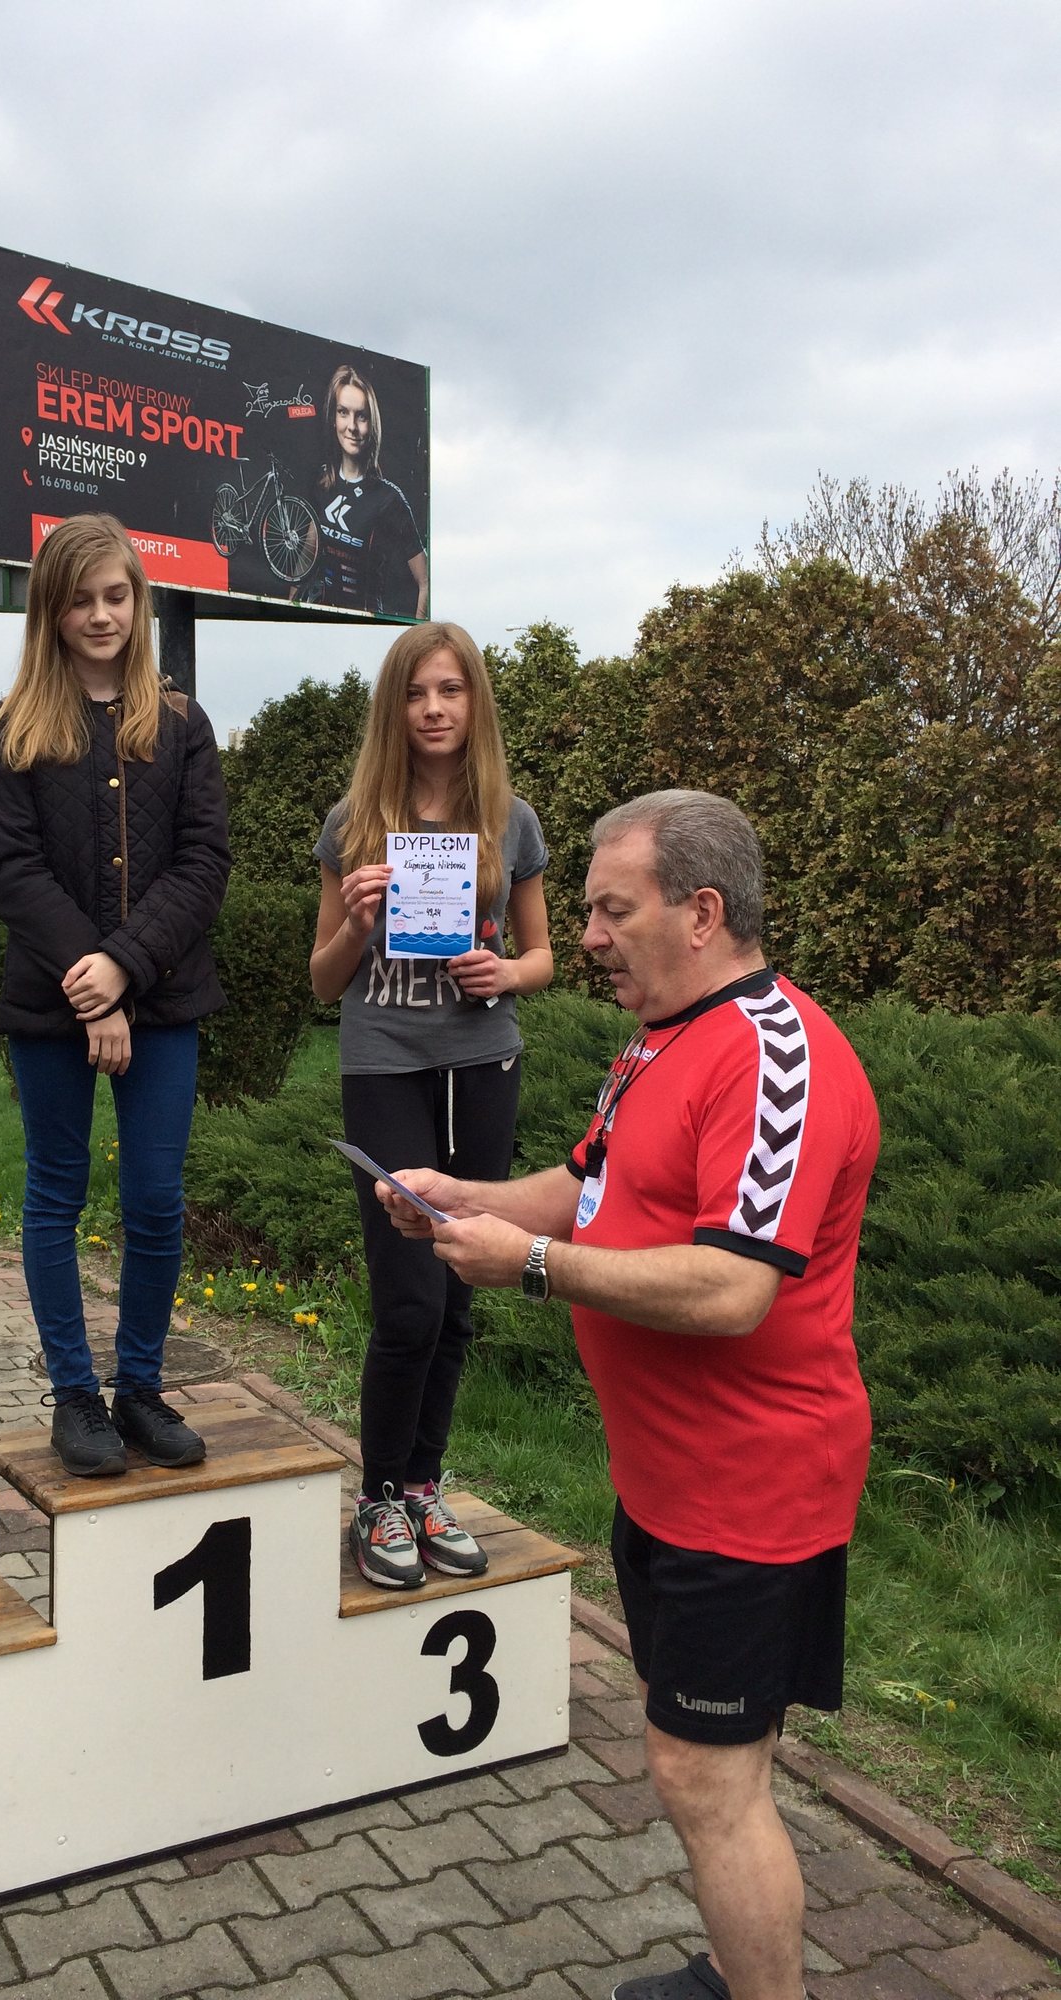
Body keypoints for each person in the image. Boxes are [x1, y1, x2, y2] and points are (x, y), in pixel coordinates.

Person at [377, 789, 880, 2000]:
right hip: (666, 1477)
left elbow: (734, 1286)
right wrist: (468, 1197)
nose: (587, 936)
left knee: (708, 1776)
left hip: (752, 1490)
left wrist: (531, 1265)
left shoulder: (774, 1055)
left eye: (612, 910)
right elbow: (587, 1185)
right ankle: (735, 1969)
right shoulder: (662, 1033)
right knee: (704, 1756)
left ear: (701, 912)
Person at [0, 514, 231, 1479]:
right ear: (51, 610)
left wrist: (124, 967)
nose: (100, 615)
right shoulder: (14, 727)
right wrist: (92, 986)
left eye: (116, 595)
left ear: (139, 601)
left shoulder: (183, 725)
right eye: (80, 599)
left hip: (163, 1000)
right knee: (57, 1191)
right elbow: (13, 872)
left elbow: (203, 864)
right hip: (51, 1005)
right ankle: (75, 1396)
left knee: (156, 1199)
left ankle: (140, 1390)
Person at [311, 623, 553, 1588]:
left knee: (457, 1298)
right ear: (394, 708)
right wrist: (358, 922)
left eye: (450, 690)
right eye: (416, 693)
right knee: (408, 1298)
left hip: (483, 1065)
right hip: (385, 1069)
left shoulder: (510, 820)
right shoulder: (353, 823)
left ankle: (422, 1485)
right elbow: (323, 978)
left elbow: (542, 955)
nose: (434, 709)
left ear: (474, 701)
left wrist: (507, 972)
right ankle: (377, 1496)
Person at [303, 363, 429, 617]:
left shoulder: (389, 498)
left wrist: (420, 633)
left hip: (364, 626)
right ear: (332, 417)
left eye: (361, 416)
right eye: (343, 412)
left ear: (372, 424)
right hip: (315, 624)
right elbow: (303, 564)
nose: (352, 426)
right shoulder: (321, 483)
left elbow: (425, 581)